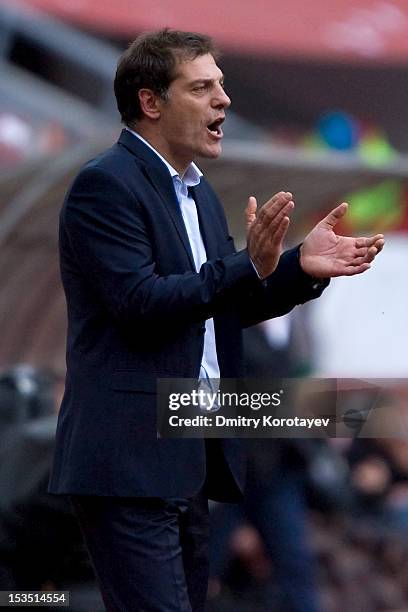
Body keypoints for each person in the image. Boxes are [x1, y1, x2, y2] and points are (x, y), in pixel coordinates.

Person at [48, 29, 384, 612]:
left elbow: (220, 306)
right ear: (151, 102)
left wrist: (297, 269)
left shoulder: (200, 194)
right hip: (129, 460)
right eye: (202, 87)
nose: (223, 100)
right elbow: (143, 305)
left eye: (222, 86)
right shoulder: (105, 185)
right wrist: (243, 265)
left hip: (191, 452)